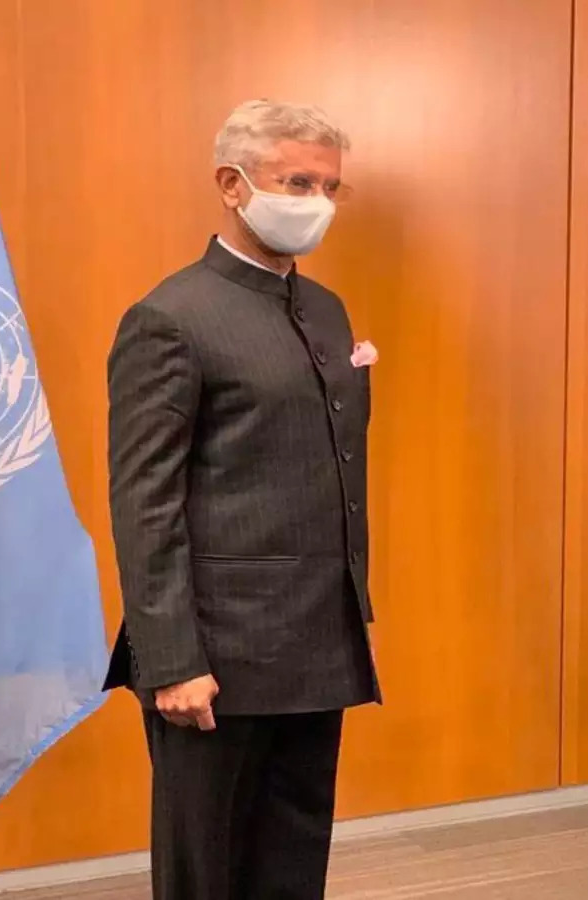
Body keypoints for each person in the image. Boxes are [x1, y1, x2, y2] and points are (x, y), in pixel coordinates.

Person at [102, 99, 379, 900]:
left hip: (316, 639)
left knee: (294, 858)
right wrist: (173, 661)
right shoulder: (170, 318)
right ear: (232, 184)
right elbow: (145, 502)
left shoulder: (324, 308)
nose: (317, 202)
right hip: (215, 655)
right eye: (297, 182)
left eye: (330, 187)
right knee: (207, 870)